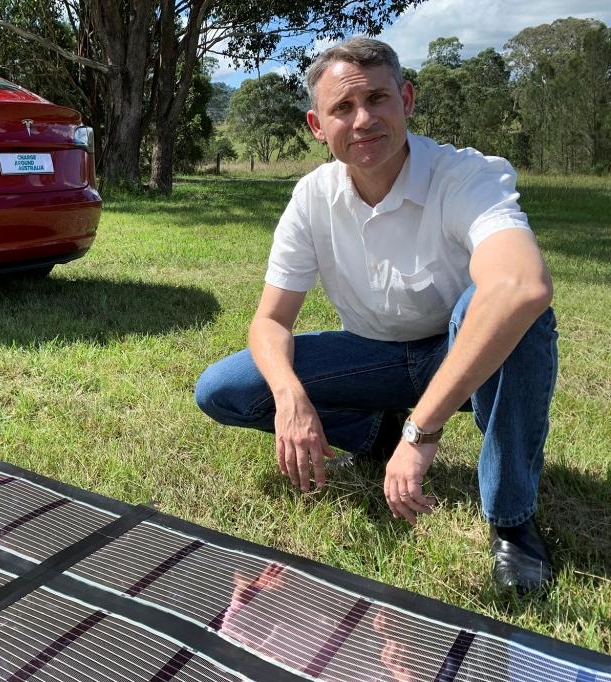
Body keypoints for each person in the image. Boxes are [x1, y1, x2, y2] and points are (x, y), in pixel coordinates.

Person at [194, 37, 557, 595]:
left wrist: (423, 430)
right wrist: (292, 401)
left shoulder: (465, 176)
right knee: (226, 388)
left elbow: (522, 284)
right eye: (342, 108)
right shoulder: (312, 198)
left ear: (406, 99)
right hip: (376, 356)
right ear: (318, 125)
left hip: (460, 355)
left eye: (377, 100)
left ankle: (512, 521)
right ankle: (373, 433)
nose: (362, 120)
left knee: (510, 309)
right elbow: (270, 322)